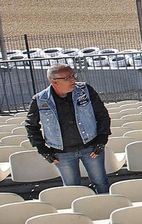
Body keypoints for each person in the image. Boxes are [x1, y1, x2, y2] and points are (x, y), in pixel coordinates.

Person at [25, 63, 111, 193]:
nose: (73, 80)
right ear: (54, 81)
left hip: (91, 147)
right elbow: (31, 125)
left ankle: (106, 207)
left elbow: (102, 114)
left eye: (73, 76)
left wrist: (102, 139)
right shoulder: (40, 100)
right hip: (62, 153)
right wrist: (42, 149)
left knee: (101, 183)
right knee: (72, 189)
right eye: (68, 78)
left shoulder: (85, 90)